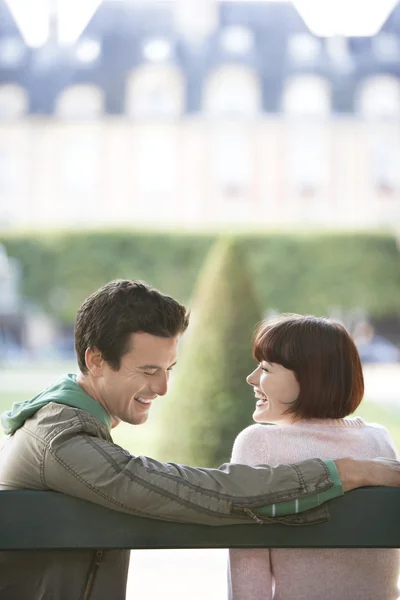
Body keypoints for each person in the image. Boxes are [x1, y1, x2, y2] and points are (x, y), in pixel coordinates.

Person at [0, 283, 399, 600]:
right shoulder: (62, 439)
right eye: (149, 370)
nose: (164, 387)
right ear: (95, 360)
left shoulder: (66, 424)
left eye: (170, 368)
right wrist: (340, 472)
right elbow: (187, 491)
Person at [229, 314, 400, 600]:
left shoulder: (259, 443)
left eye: (266, 369)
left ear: (309, 378)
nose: (252, 378)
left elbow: (249, 562)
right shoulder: (378, 440)